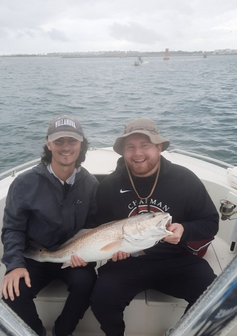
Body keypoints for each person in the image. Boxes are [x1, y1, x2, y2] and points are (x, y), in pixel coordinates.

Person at [90, 118, 219, 336]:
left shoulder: (184, 179)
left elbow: (210, 222)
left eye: (145, 145)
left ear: (159, 147)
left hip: (176, 259)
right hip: (128, 261)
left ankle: (182, 332)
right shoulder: (110, 185)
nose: (137, 153)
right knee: (101, 299)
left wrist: (184, 231)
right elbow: (98, 228)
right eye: (130, 147)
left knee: (214, 294)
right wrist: (113, 251)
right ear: (123, 152)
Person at [1, 115, 98, 336]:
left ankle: (62, 332)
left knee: (88, 283)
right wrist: (14, 264)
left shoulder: (91, 184)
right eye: (59, 141)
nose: (66, 147)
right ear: (48, 143)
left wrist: (85, 254)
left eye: (72, 141)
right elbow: (13, 228)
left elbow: (92, 226)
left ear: (81, 144)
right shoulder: (24, 183)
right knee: (12, 294)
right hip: (36, 255)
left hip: (74, 255)